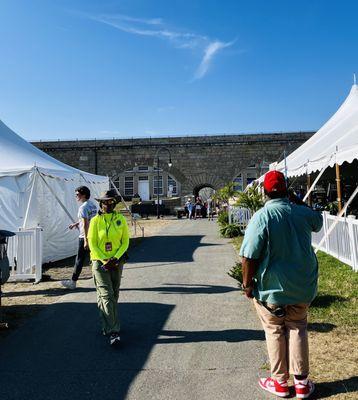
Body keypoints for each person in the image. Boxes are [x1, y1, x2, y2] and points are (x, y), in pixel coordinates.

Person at [239, 170, 323, 399]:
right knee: (298, 328)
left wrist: (247, 285)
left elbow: (248, 256)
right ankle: (302, 383)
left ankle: (280, 383)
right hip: (302, 286)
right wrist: (295, 199)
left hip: (272, 289)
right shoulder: (303, 214)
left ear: (264, 192)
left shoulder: (262, 217)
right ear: (287, 190)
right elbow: (318, 222)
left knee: (274, 331)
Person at [88, 189, 130, 346]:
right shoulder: (95, 221)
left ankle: (106, 324)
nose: (108, 205)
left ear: (115, 203)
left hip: (117, 261)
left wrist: (115, 258)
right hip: (99, 262)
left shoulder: (120, 219)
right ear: (100, 203)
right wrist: (104, 259)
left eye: (111, 202)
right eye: (105, 202)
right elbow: (91, 243)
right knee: (106, 294)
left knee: (113, 294)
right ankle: (114, 330)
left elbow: (125, 241)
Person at [61, 186, 97, 289]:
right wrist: (76, 224)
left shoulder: (83, 207)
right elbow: (89, 219)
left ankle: (73, 282)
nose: (76, 196)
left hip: (84, 236)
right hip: (93, 235)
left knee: (79, 260)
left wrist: (86, 240)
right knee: (94, 258)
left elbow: (86, 223)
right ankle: (99, 279)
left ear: (83, 195)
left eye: (77, 194)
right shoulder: (92, 205)